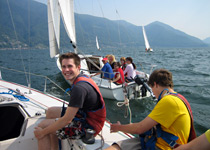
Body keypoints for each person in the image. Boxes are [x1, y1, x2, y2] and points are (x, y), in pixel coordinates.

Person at [105, 69, 196, 150]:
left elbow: (139, 128)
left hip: (161, 146)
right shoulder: (178, 98)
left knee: (116, 147)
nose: (153, 92)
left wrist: (118, 127)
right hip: (159, 142)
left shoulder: (168, 101)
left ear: (155, 84)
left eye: (152, 88)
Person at [34, 52, 106, 150]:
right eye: (63, 66)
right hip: (84, 115)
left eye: (70, 66)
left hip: (89, 126)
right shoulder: (82, 78)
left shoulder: (79, 88)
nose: (66, 70)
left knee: (42, 127)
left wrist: (42, 133)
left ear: (78, 67)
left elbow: (67, 119)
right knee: (50, 112)